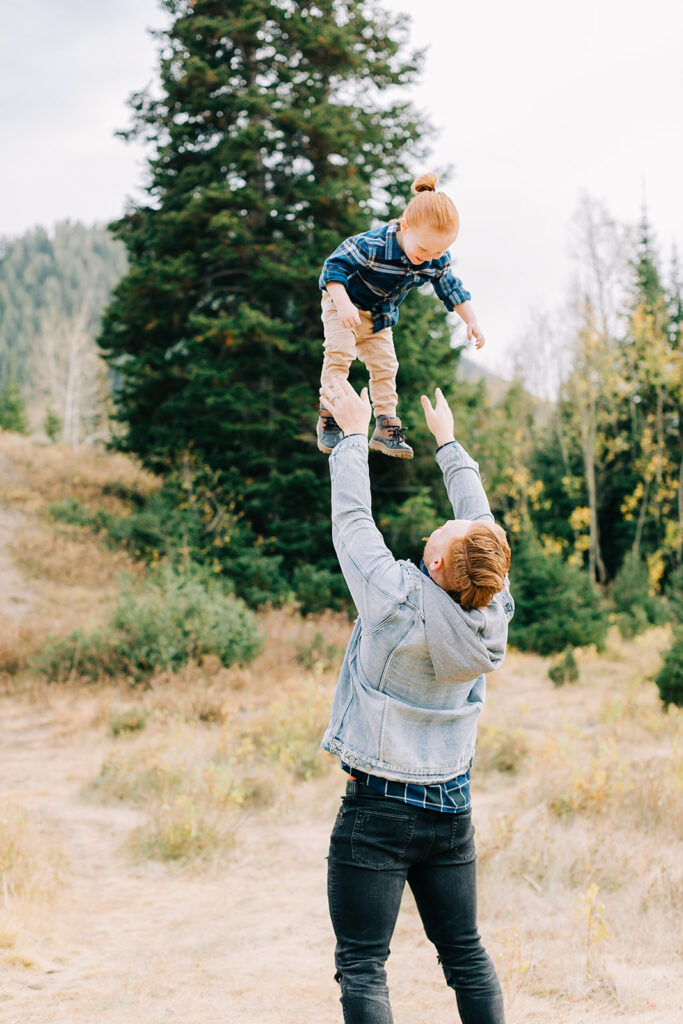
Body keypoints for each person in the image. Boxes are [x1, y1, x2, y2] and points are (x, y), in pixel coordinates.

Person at [319, 379, 513, 1024]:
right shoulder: (492, 606)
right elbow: (480, 528)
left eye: (442, 532)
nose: (444, 524)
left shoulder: (397, 597)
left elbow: (353, 522)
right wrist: (449, 444)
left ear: (434, 563)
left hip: (378, 809)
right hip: (450, 807)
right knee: (465, 954)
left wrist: (351, 436)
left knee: (364, 966)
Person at [317, 173, 485, 460]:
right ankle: (329, 413)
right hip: (341, 301)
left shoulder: (434, 258)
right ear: (404, 226)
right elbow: (332, 267)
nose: (430, 257)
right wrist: (343, 303)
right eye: (423, 249)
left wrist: (471, 320)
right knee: (340, 351)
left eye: (439, 251)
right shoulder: (374, 245)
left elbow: (450, 287)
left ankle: (385, 425)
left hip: (379, 316)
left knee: (386, 365)